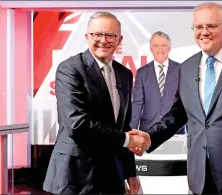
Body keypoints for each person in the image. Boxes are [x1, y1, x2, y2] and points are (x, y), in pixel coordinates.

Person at [128, 2, 222, 195]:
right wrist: (150, 137)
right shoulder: (186, 68)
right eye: (198, 27)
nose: (204, 32)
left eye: (211, 26)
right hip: (199, 177)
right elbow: (178, 114)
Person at [43, 12, 150, 194]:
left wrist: (130, 172)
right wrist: (128, 140)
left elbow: (123, 126)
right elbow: (78, 126)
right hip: (75, 176)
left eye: (110, 35)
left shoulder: (124, 74)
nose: (103, 40)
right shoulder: (70, 70)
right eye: (97, 34)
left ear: (119, 39)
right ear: (87, 37)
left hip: (111, 174)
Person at [131, 31, 186, 135]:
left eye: (164, 45)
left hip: (175, 130)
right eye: (156, 46)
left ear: (169, 48)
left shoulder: (181, 69)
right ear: (151, 48)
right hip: (147, 130)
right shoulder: (142, 72)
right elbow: (137, 103)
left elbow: (187, 102)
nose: (160, 49)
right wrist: (132, 131)